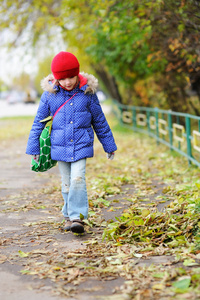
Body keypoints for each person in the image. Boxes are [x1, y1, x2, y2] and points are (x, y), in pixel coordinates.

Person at [26, 51, 117, 234]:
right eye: (63, 78)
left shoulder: (88, 94)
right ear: (56, 78)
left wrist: (109, 145)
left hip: (81, 145)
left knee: (77, 179)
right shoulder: (49, 95)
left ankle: (77, 217)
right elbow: (38, 122)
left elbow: (99, 120)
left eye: (71, 77)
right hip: (59, 147)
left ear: (77, 74)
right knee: (66, 182)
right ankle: (68, 216)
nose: (67, 82)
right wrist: (34, 147)